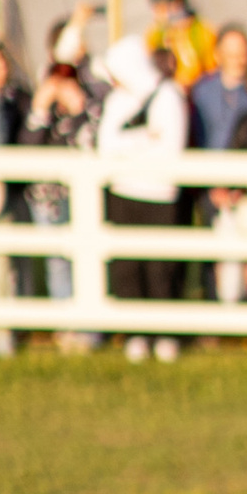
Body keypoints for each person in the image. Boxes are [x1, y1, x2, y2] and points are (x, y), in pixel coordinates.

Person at [96, 29, 196, 322]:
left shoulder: (168, 95)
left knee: (161, 267)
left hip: (160, 193)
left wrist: (128, 144)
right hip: (124, 191)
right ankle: (134, 331)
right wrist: (144, 138)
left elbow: (170, 147)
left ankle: (165, 332)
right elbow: (106, 146)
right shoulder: (118, 100)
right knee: (128, 265)